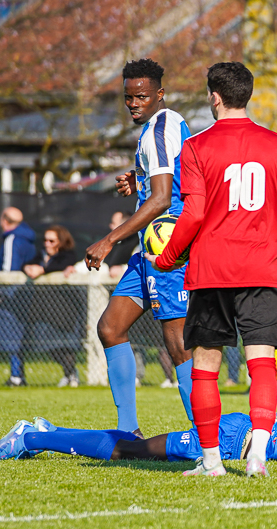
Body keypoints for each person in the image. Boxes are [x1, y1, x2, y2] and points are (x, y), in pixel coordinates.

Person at [148, 61, 277, 478]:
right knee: (261, 364)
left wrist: (167, 258)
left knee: (205, 365)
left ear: (214, 97)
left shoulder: (196, 147)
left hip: (212, 270)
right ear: (246, 95)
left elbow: (194, 212)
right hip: (262, 269)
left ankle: (213, 461)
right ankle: (259, 454)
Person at [83, 58, 193, 437]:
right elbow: (170, 178)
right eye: (128, 97)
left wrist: (109, 239)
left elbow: (163, 199)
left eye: (142, 96)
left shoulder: (158, 131)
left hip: (169, 253)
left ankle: (208, 438)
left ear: (159, 94)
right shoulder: (164, 124)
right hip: (146, 255)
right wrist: (140, 179)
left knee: (178, 346)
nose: (134, 103)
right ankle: (127, 432)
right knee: (111, 327)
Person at [0, 409, 277, 464]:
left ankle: (50, 432)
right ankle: (30, 438)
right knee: (129, 451)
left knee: (137, 444)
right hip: (234, 439)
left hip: (245, 428)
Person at [23, 225, 81, 387]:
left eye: (51, 240)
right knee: (49, 345)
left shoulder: (67, 255)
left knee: (67, 345)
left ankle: (72, 374)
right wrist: (28, 267)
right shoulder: (41, 255)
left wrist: (43, 269)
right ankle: (68, 373)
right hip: (43, 309)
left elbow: (63, 265)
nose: (47, 243)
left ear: (61, 242)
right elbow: (28, 264)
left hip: (64, 310)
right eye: (45, 240)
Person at [0, 207, 36, 386]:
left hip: (9, 297)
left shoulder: (12, 239)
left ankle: (16, 376)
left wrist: (2, 293)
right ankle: (18, 376)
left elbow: (9, 269)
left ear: (4, 221)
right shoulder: (28, 239)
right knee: (16, 337)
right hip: (23, 295)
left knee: (11, 337)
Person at [105, 211, 140, 280]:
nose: (111, 226)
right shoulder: (115, 244)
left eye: (114, 223)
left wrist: (122, 268)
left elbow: (141, 263)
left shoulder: (137, 242)